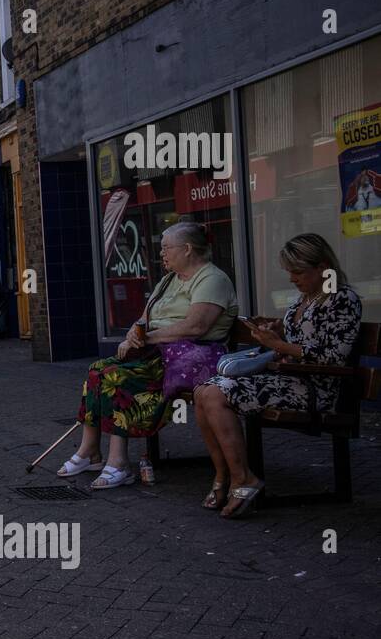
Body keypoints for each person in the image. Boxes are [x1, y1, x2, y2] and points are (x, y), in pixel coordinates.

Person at [194, 234, 363, 518]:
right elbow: (297, 337)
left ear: (323, 267)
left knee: (214, 393)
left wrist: (279, 346)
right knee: (202, 391)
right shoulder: (303, 300)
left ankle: (241, 478)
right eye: (289, 272)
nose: (292, 279)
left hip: (314, 389)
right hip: (287, 381)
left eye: (298, 272)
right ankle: (225, 475)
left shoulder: (341, 299)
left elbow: (333, 356)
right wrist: (273, 330)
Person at [58, 221, 237, 488]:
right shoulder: (168, 281)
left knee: (116, 376)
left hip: (189, 358)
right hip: (158, 353)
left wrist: (146, 338)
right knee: (97, 370)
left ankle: (118, 462)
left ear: (187, 249)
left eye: (166, 248)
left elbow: (197, 326)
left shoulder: (212, 279)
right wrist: (134, 334)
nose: (161, 254)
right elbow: (144, 319)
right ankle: (90, 451)